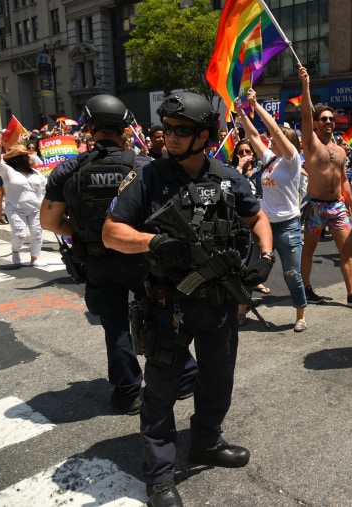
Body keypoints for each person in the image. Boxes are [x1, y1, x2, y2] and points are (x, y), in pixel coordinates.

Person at [102, 92, 274, 506]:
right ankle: (159, 476)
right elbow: (111, 232)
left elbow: (258, 217)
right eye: (166, 129)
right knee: (160, 392)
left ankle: (206, 443)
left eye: (181, 131)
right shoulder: (148, 177)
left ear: (204, 135)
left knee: (218, 381)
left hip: (218, 305)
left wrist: (265, 257)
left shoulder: (228, 176)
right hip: (169, 306)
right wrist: (153, 242)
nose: (171, 137)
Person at [41, 94, 198, 416]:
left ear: (90, 129)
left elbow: (50, 222)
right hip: (143, 255)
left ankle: (127, 391)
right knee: (163, 316)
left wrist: (90, 235)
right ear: (126, 129)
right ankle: (184, 377)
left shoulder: (66, 171)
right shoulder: (145, 166)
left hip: (97, 260)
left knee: (115, 326)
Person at [235, 89, 308, 332]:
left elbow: (274, 130)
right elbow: (254, 135)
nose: (270, 141)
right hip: (264, 226)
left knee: (291, 274)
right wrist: (242, 113)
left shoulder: (292, 160)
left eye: (275, 140)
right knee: (251, 268)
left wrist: (257, 107)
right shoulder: (269, 159)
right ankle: (241, 310)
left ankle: (300, 315)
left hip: (288, 226)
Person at [298, 65, 352, 307]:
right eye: (323, 118)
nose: (328, 121)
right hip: (315, 207)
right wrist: (305, 85)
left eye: (331, 119)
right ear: (316, 123)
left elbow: (344, 180)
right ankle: (305, 289)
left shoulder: (340, 150)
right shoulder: (311, 144)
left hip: (337, 207)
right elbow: (305, 114)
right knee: (309, 251)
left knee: (346, 249)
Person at [0, 142, 47, 266]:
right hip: (15, 209)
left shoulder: (36, 173)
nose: (29, 158)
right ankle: (15, 250)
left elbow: (45, 187)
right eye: (26, 156)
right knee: (20, 234)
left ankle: (35, 258)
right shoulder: (8, 171)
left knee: (37, 233)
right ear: (18, 160)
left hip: (36, 209)